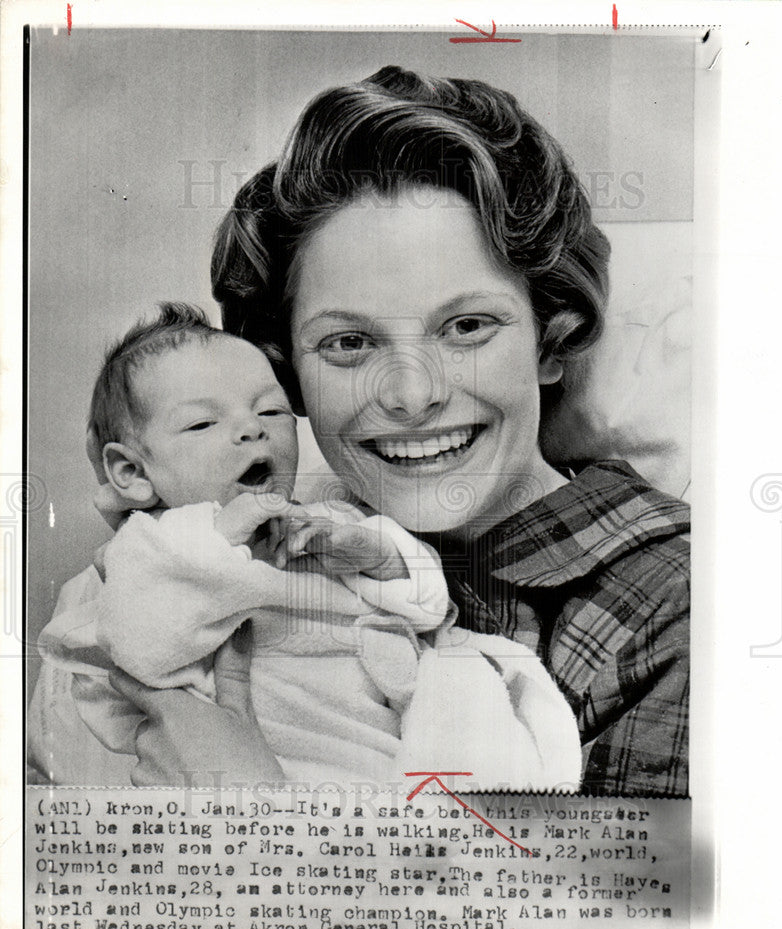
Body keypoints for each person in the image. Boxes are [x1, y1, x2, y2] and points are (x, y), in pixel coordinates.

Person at [33, 65, 689, 796]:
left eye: (467, 327)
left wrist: (252, 825)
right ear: (289, 375)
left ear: (549, 338)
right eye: (348, 343)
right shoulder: (263, 542)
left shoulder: (678, 609)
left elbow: (621, 909)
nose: (410, 396)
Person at [30, 303, 582, 790]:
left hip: (387, 752)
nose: (252, 430)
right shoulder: (150, 552)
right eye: (202, 423)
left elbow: (430, 603)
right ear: (130, 470)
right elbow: (140, 646)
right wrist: (218, 542)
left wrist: (377, 557)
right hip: (280, 760)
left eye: (270, 411)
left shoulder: (329, 519)